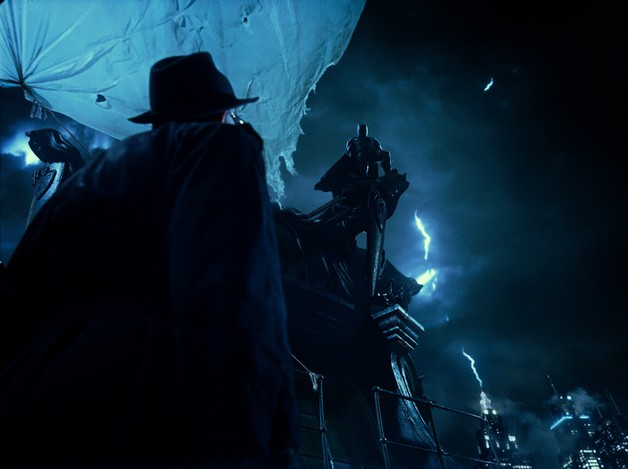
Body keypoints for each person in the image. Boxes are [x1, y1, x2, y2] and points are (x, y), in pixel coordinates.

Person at [0, 51, 301, 468]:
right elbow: (244, 285)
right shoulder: (221, 147)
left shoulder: (98, 171)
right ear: (222, 115)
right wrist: (274, 433)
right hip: (151, 389)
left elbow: (21, 287)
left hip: (43, 398)